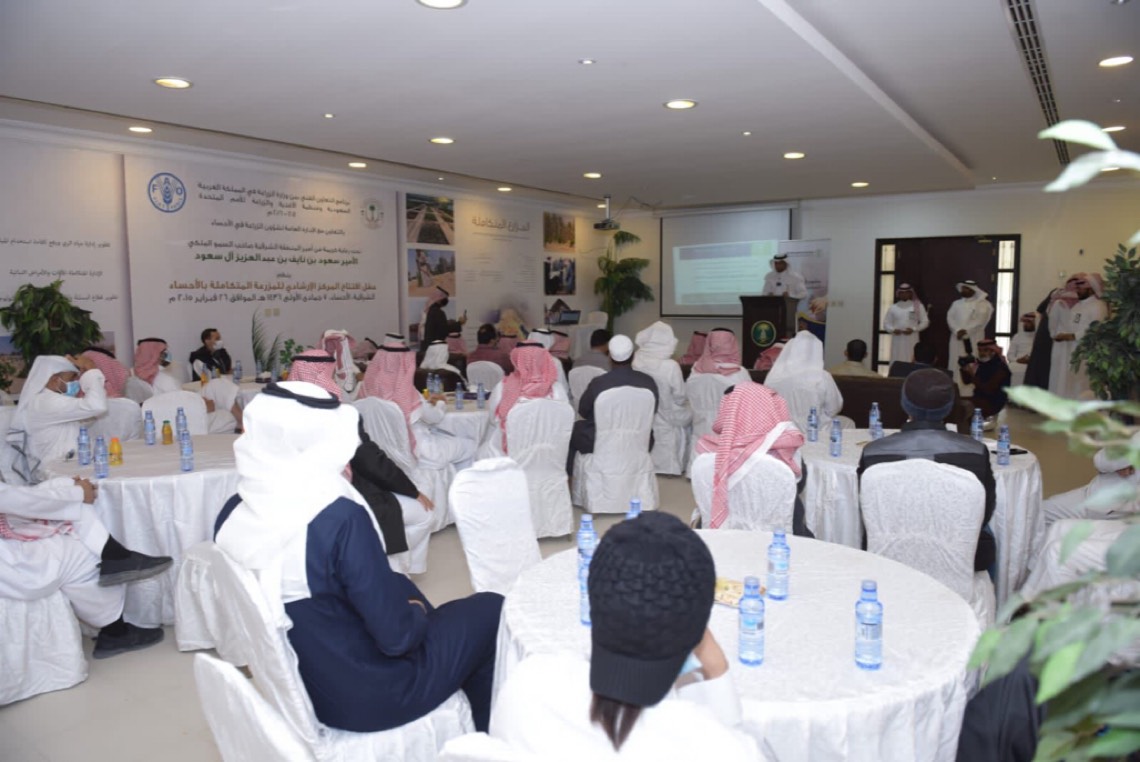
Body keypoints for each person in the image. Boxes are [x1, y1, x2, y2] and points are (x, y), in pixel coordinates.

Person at [214, 382, 502, 733]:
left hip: (303, 683)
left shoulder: (233, 511)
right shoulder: (338, 517)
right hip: (370, 694)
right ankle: (482, 737)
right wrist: (416, 612)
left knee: (402, 586)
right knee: (491, 608)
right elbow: (398, 640)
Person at [490, 512, 757, 760]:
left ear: (593, 602)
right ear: (698, 627)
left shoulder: (526, 685)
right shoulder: (713, 745)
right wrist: (717, 669)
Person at [291, 348, 435, 576]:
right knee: (424, 514)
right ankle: (386, 568)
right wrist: (411, 490)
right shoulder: (339, 415)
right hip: (341, 499)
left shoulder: (277, 412)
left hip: (294, 502)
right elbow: (370, 462)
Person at [1, 478, 169, 659]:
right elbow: (11, 498)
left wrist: (74, 492)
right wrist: (78, 494)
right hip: (10, 566)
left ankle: (115, 555)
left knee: (64, 485)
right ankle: (115, 632)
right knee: (84, 552)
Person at [858, 369, 996, 573]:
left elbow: (868, 509)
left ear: (904, 404)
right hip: (961, 560)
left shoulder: (873, 452)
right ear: (949, 406)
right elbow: (983, 512)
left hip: (889, 559)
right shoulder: (976, 452)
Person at [694, 382, 811, 536]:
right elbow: (796, 488)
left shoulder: (709, 452)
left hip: (722, 531)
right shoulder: (786, 449)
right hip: (778, 536)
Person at [360, 340, 476, 469]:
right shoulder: (405, 392)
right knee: (470, 445)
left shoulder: (365, 390)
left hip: (381, 453)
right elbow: (434, 418)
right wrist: (440, 403)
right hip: (419, 452)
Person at [568, 335, 659, 475]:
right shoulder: (648, 382)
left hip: (601, 441)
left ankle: (569, 480)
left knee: (574, 429)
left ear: (609, 357)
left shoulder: (599, 383)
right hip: (639, 441)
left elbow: (583, 411)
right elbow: (652, 411)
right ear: (633, 356)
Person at [12, 354, 109, 477]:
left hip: (69, 465)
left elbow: (91, 413)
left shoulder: (50, 399)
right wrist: (91, 369)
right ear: (55, 380)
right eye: (72, 378)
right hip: (56, 473)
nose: (76, 382)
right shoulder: (45, 401)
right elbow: (97, 406)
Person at [480, 342, 567, 458]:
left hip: (508, 454)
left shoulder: (503, 386)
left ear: (515, 359)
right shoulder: (557, 389)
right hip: (548, 453)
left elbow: (493, 418)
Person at [633, 322, 693, 472]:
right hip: (669, 414)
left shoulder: (636, 361)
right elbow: (680, 396)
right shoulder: (670, 366)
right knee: (692, 411)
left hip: (642, 413)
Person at [764, 330, 843, 434]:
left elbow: (765, 407)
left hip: (781, 433)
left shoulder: (774, 375)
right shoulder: (823, 376)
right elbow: (833, 408)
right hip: (816, 433)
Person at [1042, 448, 1138, 525]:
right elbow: (1100, 461)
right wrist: (1125, 460)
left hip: (1120, 520)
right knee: (1039, 512)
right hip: (1089, 498)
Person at [1051, 273, 1107, 399]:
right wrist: (1062, 335)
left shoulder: (1098, 306)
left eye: (1081, 286)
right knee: (1071, 382)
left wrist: (1072, 336)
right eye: (1077, 287)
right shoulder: (1077, 305)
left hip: (1087, 352)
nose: (1078, 289)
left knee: (1084, 383)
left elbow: (1095, 329)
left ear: (1091, 288)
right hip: (1071, 351)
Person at [946, 280, 994, 389]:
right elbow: (950, 318)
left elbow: (980, 321)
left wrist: (966, 331)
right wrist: (957, 330)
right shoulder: (956, 304)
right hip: (956, 337)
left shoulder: (983, 304)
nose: (964, 290)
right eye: (963, 288)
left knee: (972, 362)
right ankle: (954, 388)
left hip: (974, 337)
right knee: (955, 361)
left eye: (967, 288)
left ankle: (970, 390)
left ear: (974, 290)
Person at [1045, 275, 1082, 397]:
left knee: (1074, 374)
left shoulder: (1082, 304)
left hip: (1076, 344)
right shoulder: (1059, 303)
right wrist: (1057, 335)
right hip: (1061, 344)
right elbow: (1052, 325)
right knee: (1059, 374)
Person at [959, 339, 1011, 420]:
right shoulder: (981, 364)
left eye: (985, 350)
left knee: (961, 408)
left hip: (993, 402)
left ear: (993, 352)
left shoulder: (1001, 368)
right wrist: (964, 369)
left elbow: (988, 389)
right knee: (955, 402)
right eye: (980, 350)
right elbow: (967, 382)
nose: (982, 353)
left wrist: (972, 374)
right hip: (979, 399)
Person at [883, 283, 929, 365]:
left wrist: (914, 329)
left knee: (911, 357)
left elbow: (925, 322)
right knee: (897, 358)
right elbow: (886, 324)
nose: (904, 294)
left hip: (912, 338)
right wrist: (893, 330)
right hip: (897, 340)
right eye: (902, 293)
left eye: (906, 292)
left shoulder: (918, 306)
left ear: (910, 293)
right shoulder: (893, 307)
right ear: (898, 294)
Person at [1007, 313, 1036, 387]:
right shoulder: (1017, 336)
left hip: (1034, 364)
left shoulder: (1038, 337)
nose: (1026, 324)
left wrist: (1031, 360)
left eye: (1029, 322)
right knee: (1009, 369)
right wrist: (1018, 360)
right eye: (1025, 322)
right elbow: (1010, 356)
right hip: (1018, 362)